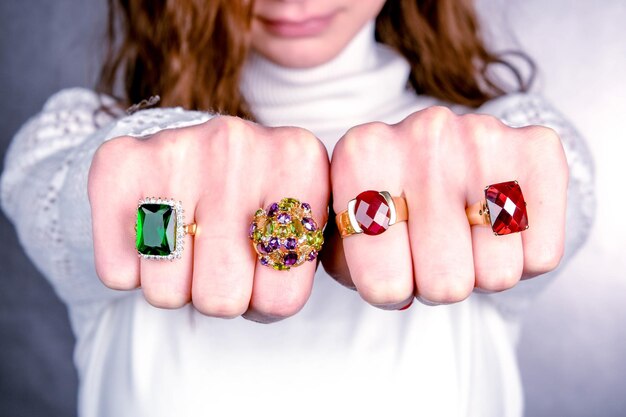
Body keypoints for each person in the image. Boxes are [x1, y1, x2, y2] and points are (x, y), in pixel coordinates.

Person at [0, 0, 595, 416]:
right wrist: (150, 146)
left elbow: (564, 196)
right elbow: (62, 203)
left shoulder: (490, 148)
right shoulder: (80, 139)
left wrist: (502, 172)